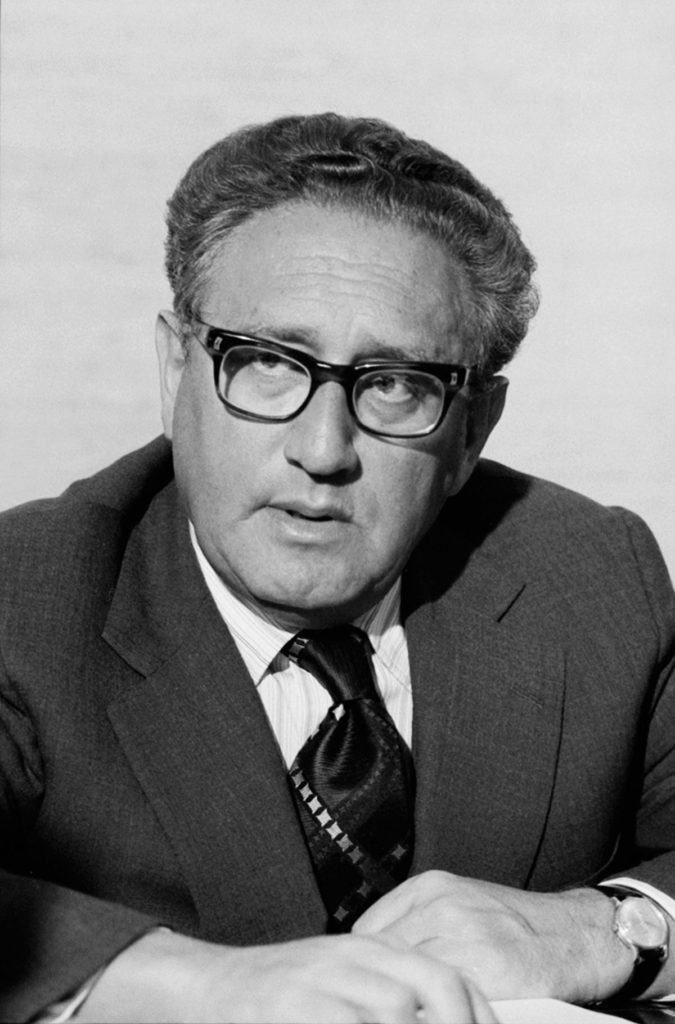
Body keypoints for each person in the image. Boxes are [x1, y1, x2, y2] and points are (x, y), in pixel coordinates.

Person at [1, 112, 674, 1024]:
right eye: (269, 364)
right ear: (174, 369)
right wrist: (202, 986)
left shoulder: (588, 573)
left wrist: (604, 931)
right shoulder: (27, 594)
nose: (322, 450)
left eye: (394, 384)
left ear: (472, 432)